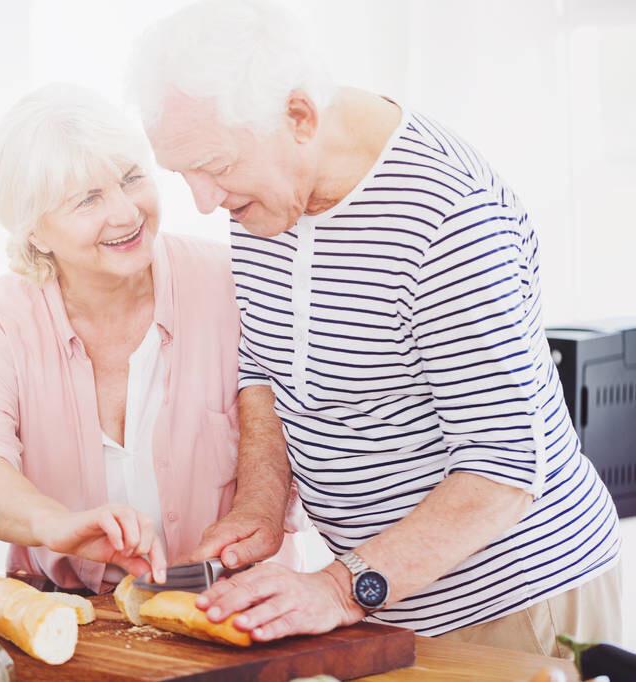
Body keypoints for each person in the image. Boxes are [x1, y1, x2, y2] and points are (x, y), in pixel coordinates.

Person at [127, 0, 621, 656]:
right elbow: (266, 367)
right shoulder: (263, 202)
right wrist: (261, 503)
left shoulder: (448, 219)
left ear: (297, 116)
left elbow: (501, 469)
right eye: (183, 173)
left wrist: (335, 588)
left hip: (515, 601)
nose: (203, 201)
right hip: (384, 601)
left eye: (214, 167)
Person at [0, 83, 314, 594]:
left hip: (240, 604)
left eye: (132, 178)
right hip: (74, 619)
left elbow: (291, 428)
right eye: (87, 200)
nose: (125, 212)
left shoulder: (234, 284)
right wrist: (56, 525)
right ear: (35, 233)